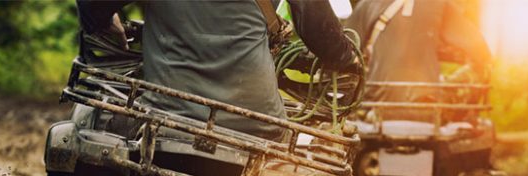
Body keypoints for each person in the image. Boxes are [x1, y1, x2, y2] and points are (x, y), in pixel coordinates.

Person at [77, 0, 359, 139]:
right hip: (259, 126)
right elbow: (322, 35)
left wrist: (108, 23)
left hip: (166, 119)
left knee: (84, 119)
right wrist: (348, 59)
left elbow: (91, 7)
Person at [347, 0, 492, 121]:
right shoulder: (439, 4)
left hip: (374, 106)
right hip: (426, 108)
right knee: (477, 72)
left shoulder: (368, 4)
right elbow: (479, 48)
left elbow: (346, 50)